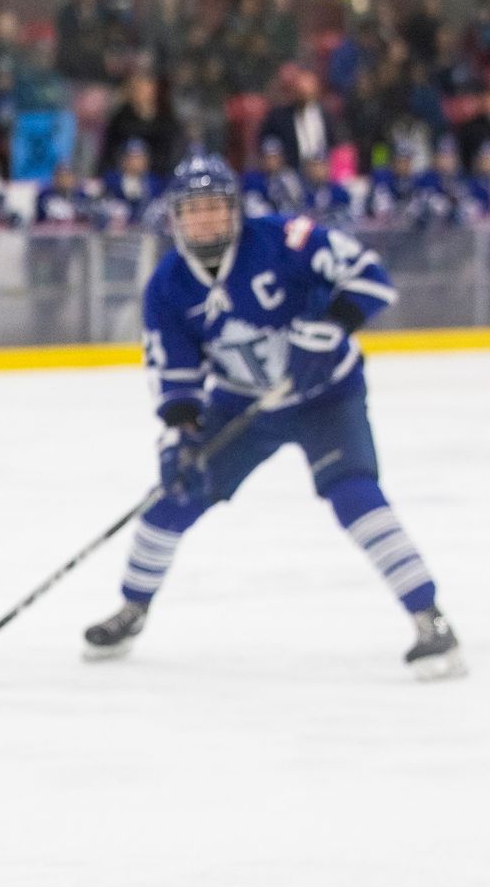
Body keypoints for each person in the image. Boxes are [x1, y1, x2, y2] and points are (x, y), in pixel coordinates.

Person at [83, 155, 463, 680]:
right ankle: (132, 608)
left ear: (235, 209)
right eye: (193, 211)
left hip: (327, 395)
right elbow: (175, 373)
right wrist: (181, 434)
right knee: (172, 497)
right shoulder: (167, 286)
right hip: (242, 402)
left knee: (354, 494)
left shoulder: (287, 240)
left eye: (214, 207)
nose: (205, 220)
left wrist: (331, 327)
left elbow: (372, 278)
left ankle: (429, 617)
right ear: (175, 219)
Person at [94, 138, 166, 229]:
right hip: (115, 228)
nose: (135, 162)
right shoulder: (110, 179)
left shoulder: (155, 182)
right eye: (131, 158)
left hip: (144, 228)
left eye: (140, 158)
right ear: (123, 160)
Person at [241, 137, 304, 217]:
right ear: (262, 159)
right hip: (267, 220)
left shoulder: (289, 176)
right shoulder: (252, 180)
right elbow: (254, 211)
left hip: (290, 218)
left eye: (276, 157)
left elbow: (300, 201)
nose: (273, 161)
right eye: (269, 157)